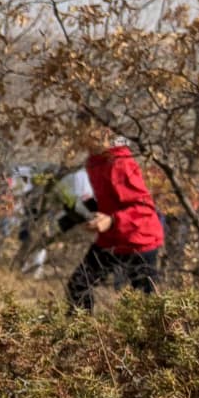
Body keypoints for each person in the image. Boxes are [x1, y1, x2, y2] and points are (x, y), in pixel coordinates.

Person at [66, 132, 165, 310]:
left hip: (139, 240)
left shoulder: (120, 163)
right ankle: (82, 327)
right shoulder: (95, 161)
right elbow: (109, 200)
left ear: (104, 133)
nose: (81, 138)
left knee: (145, 306)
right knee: (78, 285)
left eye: (86, 132)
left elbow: (144, 209)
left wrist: (111, 221)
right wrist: (85, 211)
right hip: (111, 239)